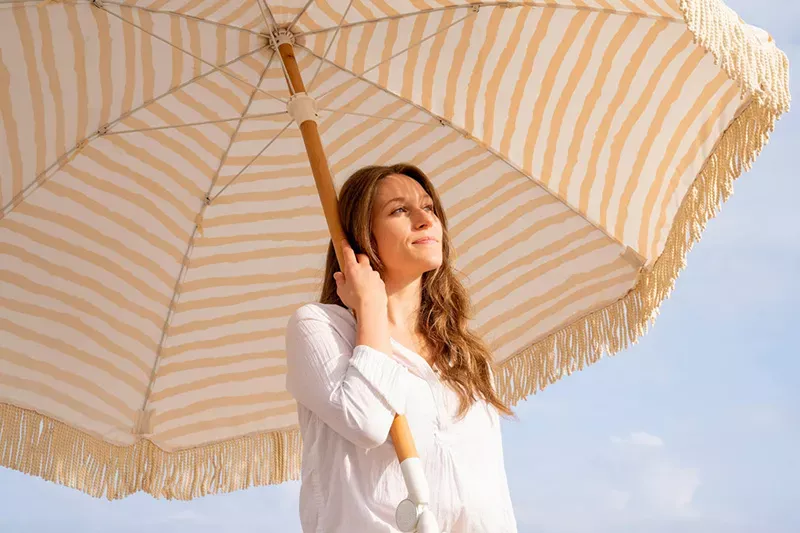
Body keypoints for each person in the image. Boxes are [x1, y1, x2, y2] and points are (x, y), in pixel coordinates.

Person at [285, 163, 518, 532]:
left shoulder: (465, 358)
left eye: (428, 207)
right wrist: (371, 307)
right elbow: (365, 422)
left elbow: (492, 494)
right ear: (363, 236)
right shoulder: (320, 328)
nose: (425, 221)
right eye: (399, 210)